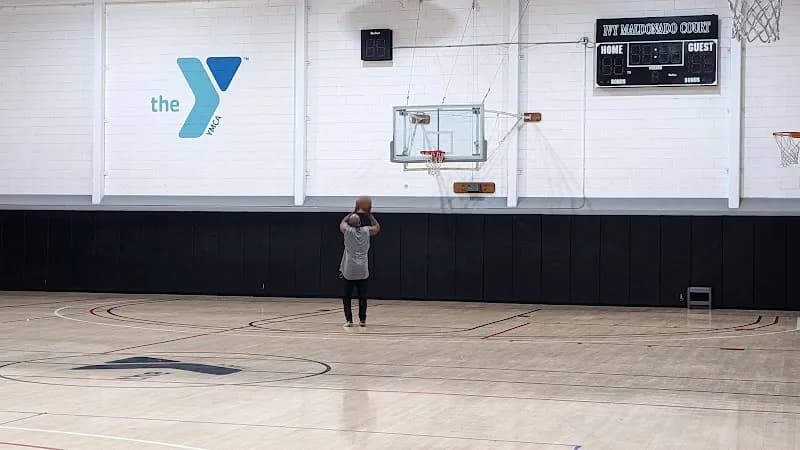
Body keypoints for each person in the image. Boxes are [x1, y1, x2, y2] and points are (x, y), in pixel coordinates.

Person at [339, 210, 380, 327]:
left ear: (350, 223)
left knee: (347, 297)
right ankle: (362, 320)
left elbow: (342, 223)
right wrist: (369, 215)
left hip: (349, 270)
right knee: (362, 297)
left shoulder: (346, 230)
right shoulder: (366, 231)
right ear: (360, 222)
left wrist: (353, 211)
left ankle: (349, 320)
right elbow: (377, 227)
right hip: (362, 270)